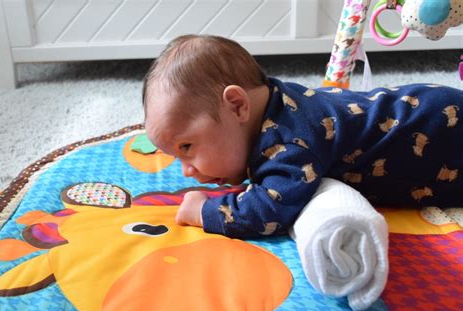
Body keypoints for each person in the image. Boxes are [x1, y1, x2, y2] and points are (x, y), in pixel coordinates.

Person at [142, 34, 463, 238]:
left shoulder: (287, 142)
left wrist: (204, 211)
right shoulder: (279, 98)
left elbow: (269, 211)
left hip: (443, 130)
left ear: (237, 106)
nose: (186, 170)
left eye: (186, 147)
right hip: (433, 106)